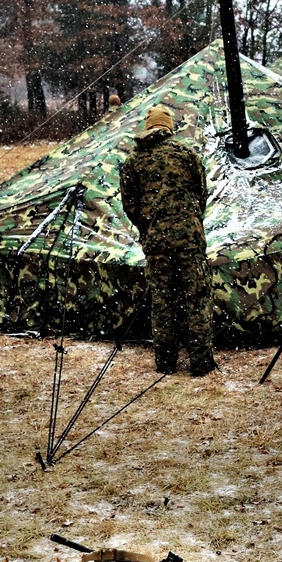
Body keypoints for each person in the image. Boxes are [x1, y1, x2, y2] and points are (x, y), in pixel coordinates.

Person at [119, 104, 216, 376]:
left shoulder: (133, 162)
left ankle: (165, 364)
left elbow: (130, 206)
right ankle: (201, 364)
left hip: (157, 242)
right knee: (197, 299)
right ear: (170, 126)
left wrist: (150, 225)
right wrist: (188, 219)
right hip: (190, 240)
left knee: (163, 301)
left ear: (148, 126)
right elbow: (201, 195)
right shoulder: (187, 155)